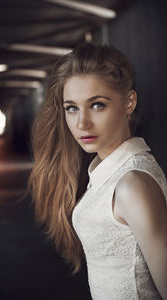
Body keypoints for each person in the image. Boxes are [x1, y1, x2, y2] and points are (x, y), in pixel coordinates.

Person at [28, 43, 167, 300]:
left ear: (129, 102)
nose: (82, 123)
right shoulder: (107, 172)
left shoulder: (131, 184)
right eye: (72, 108)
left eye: (98, 105)